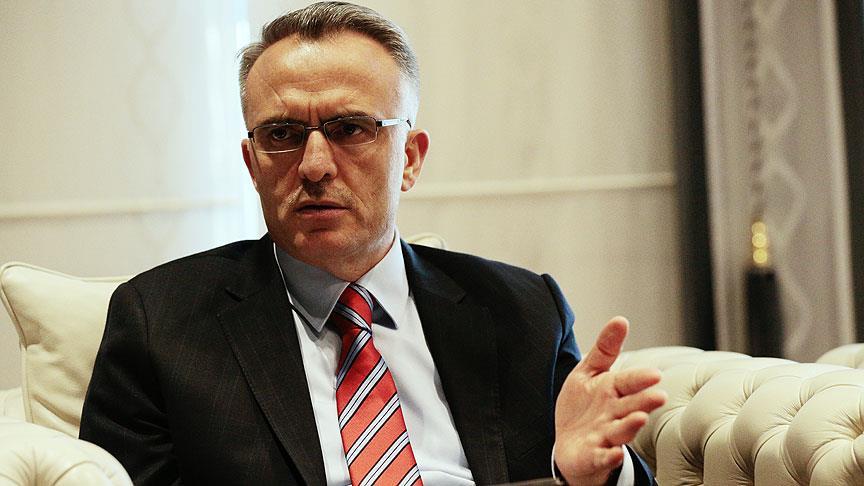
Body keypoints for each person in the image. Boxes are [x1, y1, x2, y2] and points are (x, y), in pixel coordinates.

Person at [79, 2, 666, 485]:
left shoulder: (522, 311)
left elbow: (587, 459)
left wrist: (591, 477)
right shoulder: (162, 325)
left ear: (409, 159)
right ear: (252, 165)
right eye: (282, 134)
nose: (313, 165)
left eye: (350, 129)